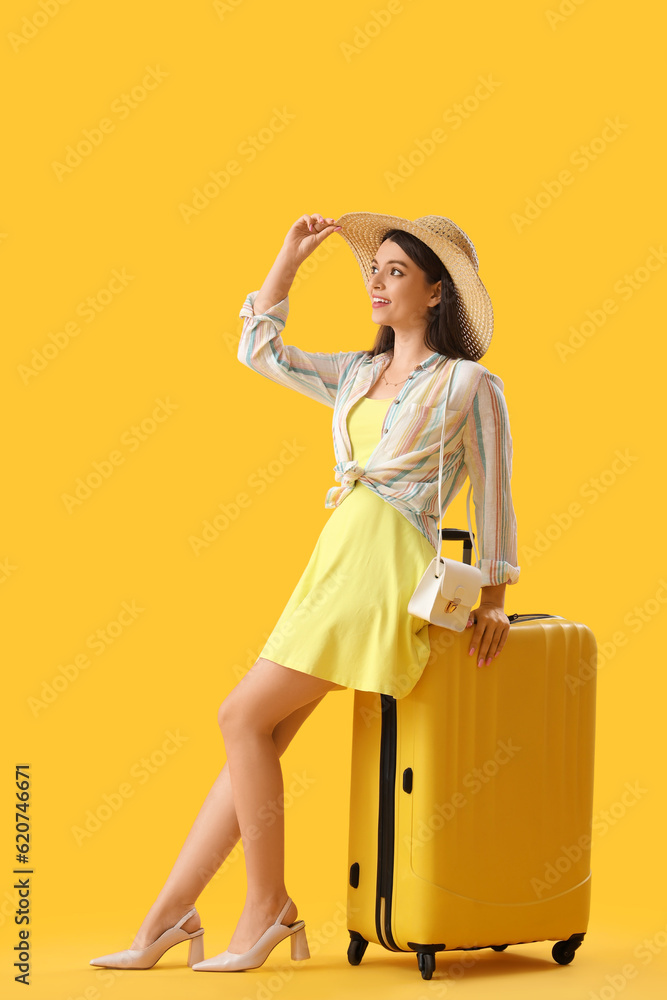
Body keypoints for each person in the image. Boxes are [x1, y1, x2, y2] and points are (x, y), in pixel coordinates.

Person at [88, 210, 520, 974]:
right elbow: (259, 349)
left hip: (386, 570)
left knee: (240, 716)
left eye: (394, 272)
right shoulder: (356, 373)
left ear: (434, 293)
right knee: (260, 736)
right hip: (334, 561)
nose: (375, 282)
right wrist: (287, 258)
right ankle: (168, 916)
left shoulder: (469, 386)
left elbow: (493, 500)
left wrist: (492, 598)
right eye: (372, 268)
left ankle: (265, 909)